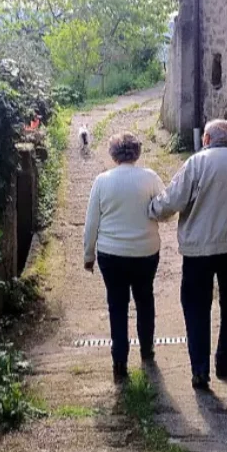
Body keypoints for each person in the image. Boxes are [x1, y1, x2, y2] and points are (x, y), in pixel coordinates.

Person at [149, 119, 227, 390]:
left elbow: (172, 200)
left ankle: (200, 369)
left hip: (199, 251)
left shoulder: (196, 163)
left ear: (206, 139)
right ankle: (224, 364)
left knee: (196, 308)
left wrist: (152, 210)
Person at [84, 132, 166, 383]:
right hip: (145, 251)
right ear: (137, 152)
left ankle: (119, 360)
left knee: (117, 304)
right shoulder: (150, 178)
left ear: (113, 154)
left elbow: (92, 222)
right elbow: (166, 209)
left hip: (111, 254)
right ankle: (147, 350)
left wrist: (88, 254)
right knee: (145, 299)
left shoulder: (102, 181)